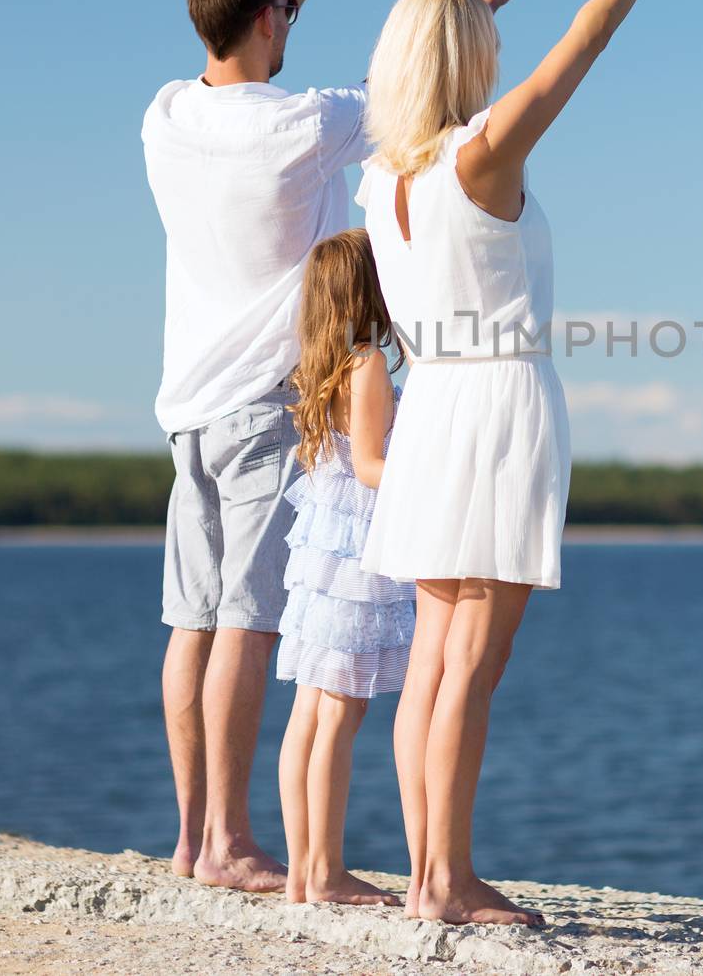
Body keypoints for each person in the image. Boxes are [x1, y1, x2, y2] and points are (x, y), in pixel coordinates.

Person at [142, 0, 554, 891]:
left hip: (184, 402)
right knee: (247, 616)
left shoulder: (164, 112)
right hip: (263, 396)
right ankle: (231, 844)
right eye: (280, 13)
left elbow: (246, 38)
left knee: (191, 618)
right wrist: (482, 3)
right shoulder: (301, 124)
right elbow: (401, 90)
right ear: (265, 25)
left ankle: (192, 834)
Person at [356, 0, 665, 925]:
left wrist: (475, 4)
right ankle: (445, 881)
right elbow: (579, 46)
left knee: (436, 659)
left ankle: (425, 873)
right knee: (471, 667)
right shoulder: (483, 157)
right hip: (495, 408)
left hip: (431, 406)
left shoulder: (381, 174)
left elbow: (431, 79)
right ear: (468, 63)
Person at [276, 229, 411, 905]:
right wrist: (432, 480)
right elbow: (370, 466)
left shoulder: (321, 366)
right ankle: (325, 872)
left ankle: (304, 869)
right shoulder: (369, 365)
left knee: (309, 711)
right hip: (356, 559)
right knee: (339, 714)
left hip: (319, 560)